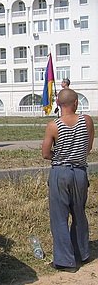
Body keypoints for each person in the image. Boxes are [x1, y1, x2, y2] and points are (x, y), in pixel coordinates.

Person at [42, 88, 94, 273]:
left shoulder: (53, 125)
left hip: (60, 172)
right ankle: (82, 253)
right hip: (80, 172)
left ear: (58, 104)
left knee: (59, 217)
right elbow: (88, 147)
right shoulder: (86, 120)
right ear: (76, 103)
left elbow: (46, 153)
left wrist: (61, 155)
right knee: (79, 213)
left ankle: (65, 260)